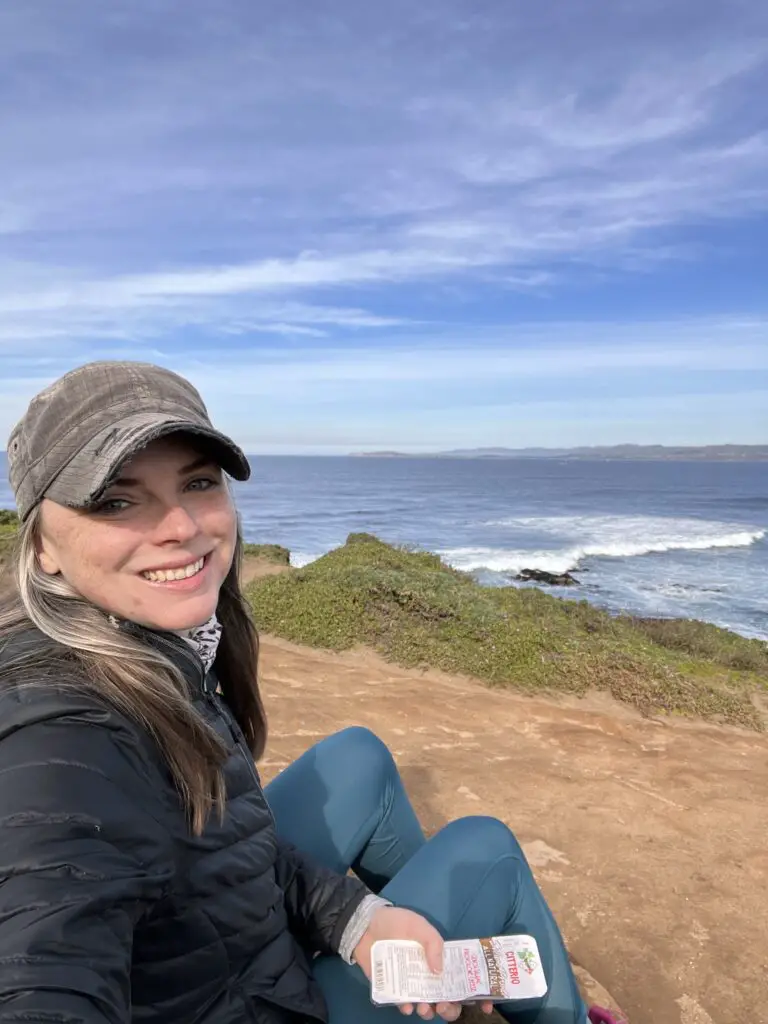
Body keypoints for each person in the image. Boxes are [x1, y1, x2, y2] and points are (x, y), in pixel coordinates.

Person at [0, 361, 622, 1024]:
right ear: (43, 547)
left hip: (218, 944)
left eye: (198, 482)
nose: (180, 526)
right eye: (117, 500)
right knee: (486, 848)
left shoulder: (143, 640)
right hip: (257, 1003)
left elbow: (229, 845)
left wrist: (361, 919)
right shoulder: (60, 736)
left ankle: (432, 962)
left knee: (358, 756)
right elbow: (42, 959)